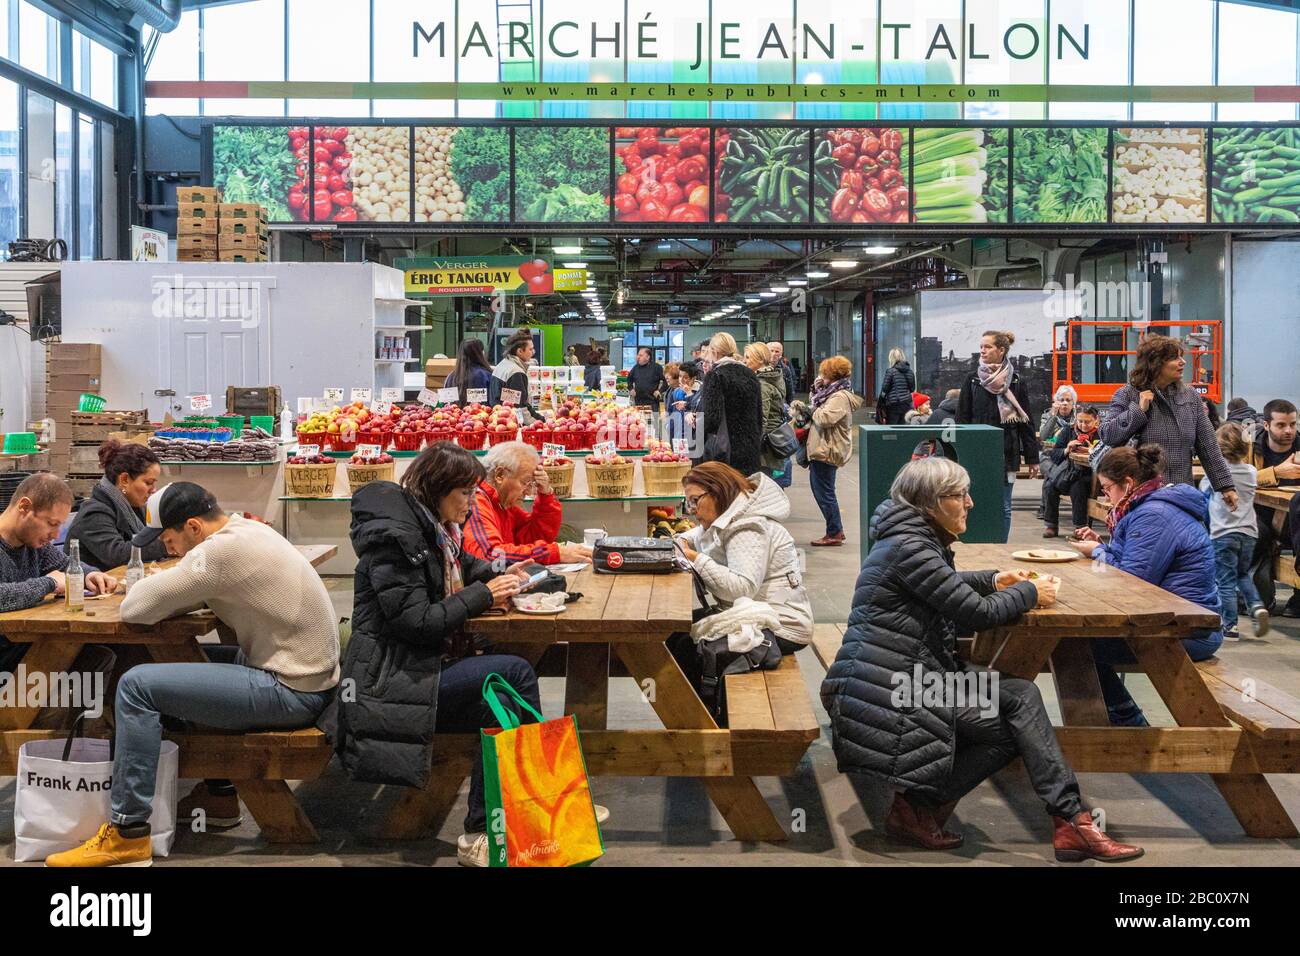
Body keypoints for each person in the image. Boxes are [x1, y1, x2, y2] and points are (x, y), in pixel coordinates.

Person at [821, 457, 1142, 862]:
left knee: (1019, 703)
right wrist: (1030, 594)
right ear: (930, 503)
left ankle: (1065, 820)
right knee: (1015, 713)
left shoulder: (911, 538)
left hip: (903, 675)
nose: (969, 503)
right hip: (892, 688)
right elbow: (977, 614)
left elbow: (941, 585)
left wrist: (994, 579)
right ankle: (1068, 822)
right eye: (959, 495)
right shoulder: (912, 547)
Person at [46, 481, 340, 868]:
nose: (166, 548)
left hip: (289, 691)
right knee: (193, 661)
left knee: (136, 685)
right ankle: (218, 793)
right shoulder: (248, 530)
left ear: (194, 527)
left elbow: (136, 608)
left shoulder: (219, 553)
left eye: (169, 539)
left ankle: (127, 833)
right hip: (307, 680)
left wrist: (156, 582)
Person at [336, 443, 548, 868]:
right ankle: (534, 801)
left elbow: (465, 565)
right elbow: (417, 622)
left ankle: (486, 831)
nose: (471, 501)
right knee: (514, 671)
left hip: (419, 669)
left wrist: (496, 576)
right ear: (438, 489)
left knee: (500, 703)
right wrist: (482, 594)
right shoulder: (397, 541)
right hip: (387, 682)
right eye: (466, 493)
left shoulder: (434, 532)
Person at [1069, 445, 1223, 727]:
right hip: (1176, 622)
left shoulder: (1154, 515)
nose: (1106, 496)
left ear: (1127, 483)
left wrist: (1098, 553)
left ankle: (1124, 720)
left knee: (1074, 644)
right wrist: (1103, 546)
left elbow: (1134, 581)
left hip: (1188, 630)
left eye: (1107, 489)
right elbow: (1137, 561)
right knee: (1076, 640)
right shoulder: (1149, 507)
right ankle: (1115, 716)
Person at [668, 463, 813, 691]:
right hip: (757, 612)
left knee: (688, 646)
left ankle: (701, 719)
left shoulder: (748, 527)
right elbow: (696, 536)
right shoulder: (731, 517)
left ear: (718, 493)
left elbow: (741, 588)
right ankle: (694, 716)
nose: (692, 509)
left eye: (695, 500)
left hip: (782, 624)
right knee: (676, 633)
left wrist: (695, 557)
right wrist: (683, 542)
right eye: (689, 502)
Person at [0, 473, 116, 674]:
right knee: (85, 662)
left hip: (24, 643)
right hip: (5, 655)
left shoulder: (34, 545)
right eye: (52, 524)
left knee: (101, 655)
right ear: (24, 507)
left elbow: (65, 565)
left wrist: (89, 575)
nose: (55, 535)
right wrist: (49, 583)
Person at [1100, 335, 1236, 507]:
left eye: (1181, 357)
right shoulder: (1128, 394)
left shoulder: (1190, 397)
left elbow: (1209, 446)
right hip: (1143, 499)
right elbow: (1108, 435)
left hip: (1182, 496)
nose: (1182, 362)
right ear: (1154, 363)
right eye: (1174, 357)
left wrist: (1225, 485)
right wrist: (1138, 411)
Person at [958, 330, 1041, 542]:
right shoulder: (972, 380)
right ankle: (974, 542)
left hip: (1007, 453)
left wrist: (1032, 459)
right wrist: (959, 452)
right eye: (981, 347)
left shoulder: (1016, 381)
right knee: (973, 500)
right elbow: (962, 418)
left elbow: (1026, 421)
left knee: (1004, 505)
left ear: (1001, 350)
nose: (982, 351)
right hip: (976, 452)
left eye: (987, 347)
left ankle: (1000, 546)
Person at [463, 441, 592, 567]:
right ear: (500, 475)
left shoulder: (502, 504)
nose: (529, 492)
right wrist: (553, 553)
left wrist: (545, 494)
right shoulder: (476, 504)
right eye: (526, 482)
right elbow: (491, 556)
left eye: (532, 484)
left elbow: (534, 536)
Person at [1200, 424, 1268, 640]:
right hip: (1249, 532)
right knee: (1242, 574)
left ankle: (1230, 626)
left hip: (1223, 533)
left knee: (1225, 580)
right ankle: (1256, 606)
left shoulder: (1214, 475)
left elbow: (1202, 492)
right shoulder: (1251, 472)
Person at [790, 356, 863, 548]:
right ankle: (834, 530)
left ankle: (834, 532)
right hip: (825, 448)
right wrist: (817, 390)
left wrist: (809, 409)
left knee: (824, 492)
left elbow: (823, 418)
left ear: (832, 374)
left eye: (824, 373)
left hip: (828, 449)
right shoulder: (832, 393)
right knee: (823, 490)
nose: (821, 376)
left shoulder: (839, 397)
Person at [66, 440, 171, 571]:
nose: (154, 489)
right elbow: (117, 554)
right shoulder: (94, 513)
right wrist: (168, 545)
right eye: (148, 482)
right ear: (124, 480)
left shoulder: (136, 508)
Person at [1246, 398, 1300, 616]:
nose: (1289, 430)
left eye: (1293, 424)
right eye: (1281, 425)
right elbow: (1235, 479)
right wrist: (1276, 473)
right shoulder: (1250, 448)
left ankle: (1298, 596)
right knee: (1256, 534)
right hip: (1259, 515)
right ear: (1266, 425)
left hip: (1293, 520)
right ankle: (1255, 596)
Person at [699, 332, 763, 476]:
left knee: (726, 494)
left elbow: (712, 419)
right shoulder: (750, 374)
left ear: (715, 352)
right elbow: (759, 414)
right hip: (750, 448)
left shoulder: (716, 375)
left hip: (726, 451)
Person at [1043, 405, 1102, 539]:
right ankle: (1051, 525)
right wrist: (1067, 449)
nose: (1083, 425)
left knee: (1078, 487)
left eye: (1087, 422)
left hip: (1091, 475)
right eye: (1080, 421)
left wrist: (1090, 451)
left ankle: (1080, 527)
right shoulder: (1068, 431)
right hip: (1069, 471)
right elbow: (1055, 455)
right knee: (1050, 485)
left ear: (1096, 420)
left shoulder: (1102, 433)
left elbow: (1109, 452)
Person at [744, 342, 789, 481]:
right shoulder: (772, 377)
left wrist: (750, 448)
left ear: (758, 359)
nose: (744, 361)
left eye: (747, 357)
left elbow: (761, 420)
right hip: (769, 445)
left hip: (764, 451)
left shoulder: (762, 384)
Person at [489, 330, 539, 421]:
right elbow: (519, 408)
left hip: (499, 420)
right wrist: (539, 422)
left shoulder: (503, 364)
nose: (533, 352)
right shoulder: (516, 372)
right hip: (510, 423)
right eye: (530, 349)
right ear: (520, 351)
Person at [445, 338, 493, 406]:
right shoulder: (485, 375)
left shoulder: (451, 377)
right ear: (480, 353)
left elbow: (446, 404)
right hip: (482, 415)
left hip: (454, 415)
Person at [878, 348, 916, 425]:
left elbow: (885, 388)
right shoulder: (910, 371)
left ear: (891, 358)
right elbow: (912, 389)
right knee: (902, 429)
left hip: (893, 404)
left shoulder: (890, 371)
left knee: (892, 430)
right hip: (906, 404)